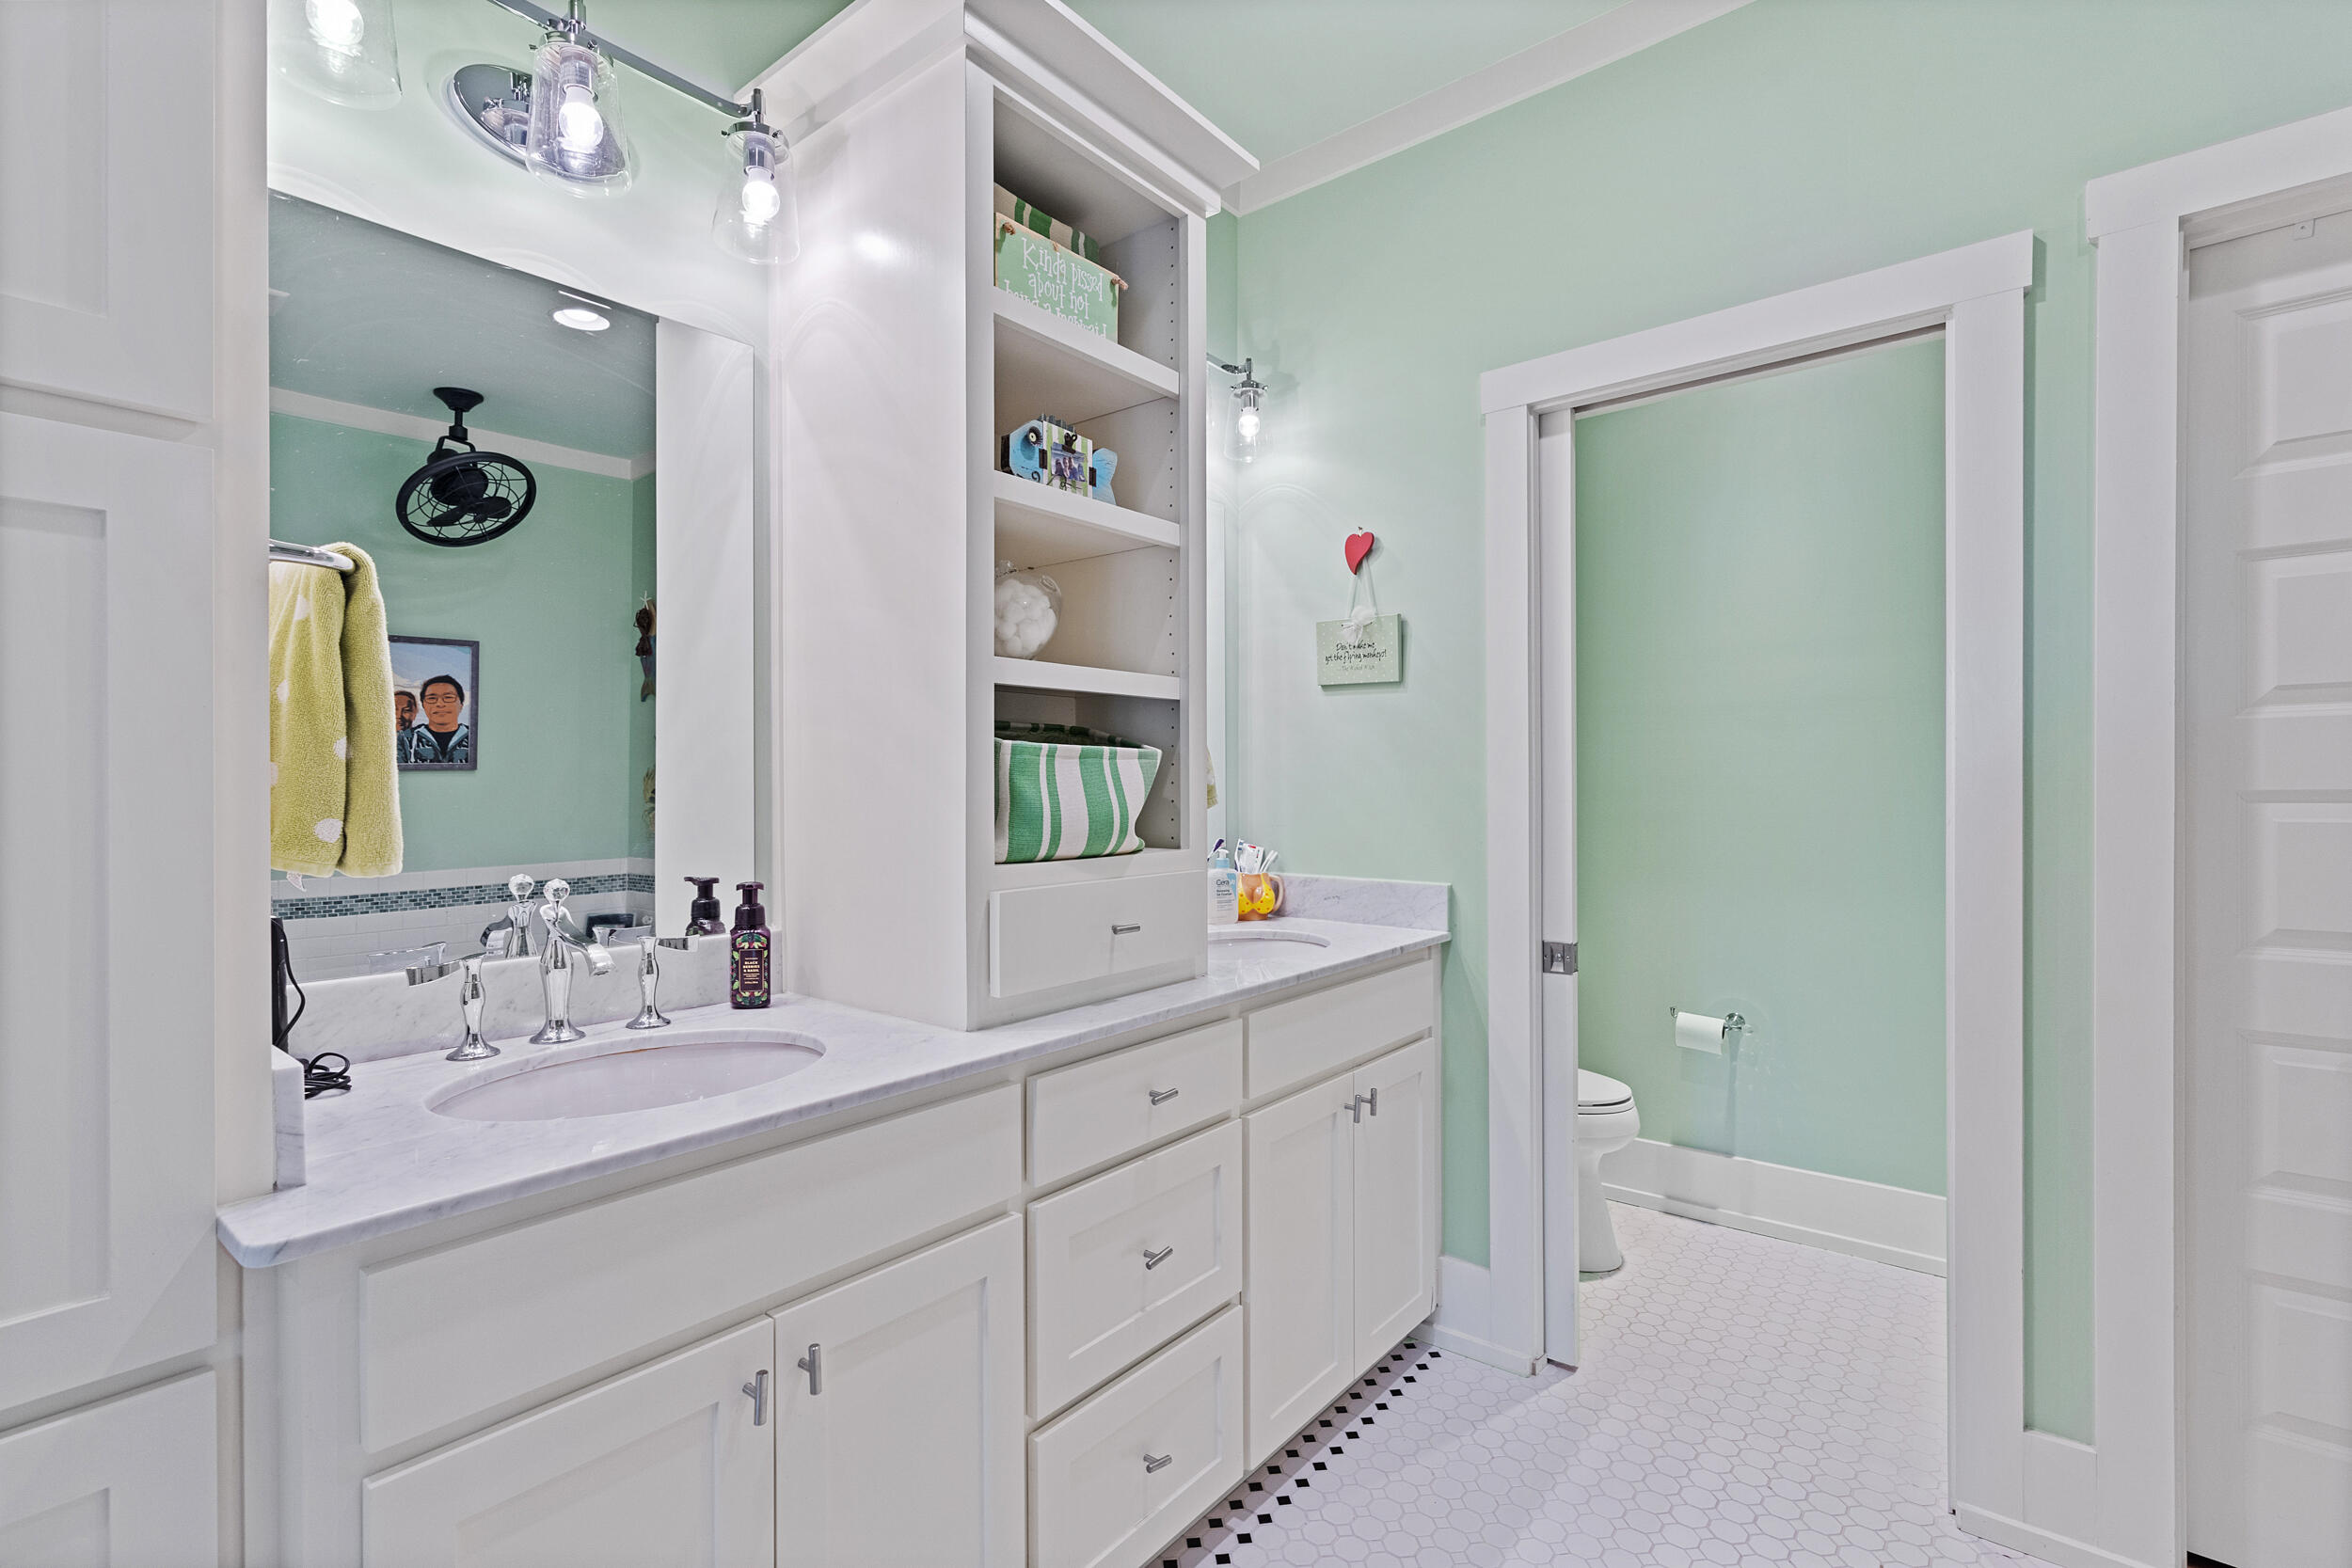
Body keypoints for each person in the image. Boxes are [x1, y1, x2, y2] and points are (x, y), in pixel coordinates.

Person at [405, 673, 472, 766]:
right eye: (432, 698)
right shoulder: (406, 738)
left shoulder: (475, 737)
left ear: (461, 704)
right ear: (423, 705)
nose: (440, 704)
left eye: (448, 697)